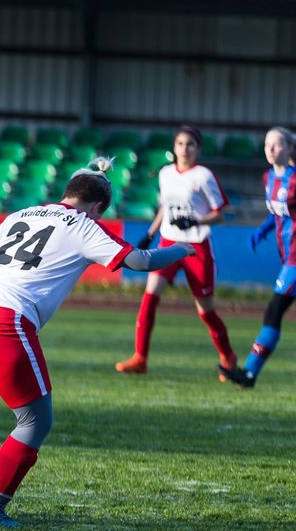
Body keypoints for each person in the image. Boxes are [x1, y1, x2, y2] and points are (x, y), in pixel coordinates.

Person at [0, 159, 194, 527]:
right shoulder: (86, 225)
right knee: (35, 420)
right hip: (4, 320)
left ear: (67, 193)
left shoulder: (25, 213)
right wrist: (182, 250)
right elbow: (139, 259)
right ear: (97, 208)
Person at [115, 124, 235, 380]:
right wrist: (149, 235)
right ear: (174, 147)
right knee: (149, 298)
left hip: (196, 247)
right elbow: (164, 207)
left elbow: (220, 215)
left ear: (198, 149)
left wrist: (196, 222)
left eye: (190, 144)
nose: (185, 149)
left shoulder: (203, 176)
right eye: (180, 144)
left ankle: (228, 358)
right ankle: (140, 358)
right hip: (168, 243)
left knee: (206, 311)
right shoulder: (166, 173)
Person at [220, 127, 296, 388]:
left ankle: (249, 373)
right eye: (267, 145)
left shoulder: (295, 179)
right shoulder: (268, 178)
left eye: (276, 145)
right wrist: (261, 232)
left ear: (289, 149)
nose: (271, 149)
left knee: (273, 310)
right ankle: (249, 374)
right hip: (288, 258)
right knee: (274, 311)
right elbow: (277, 213)